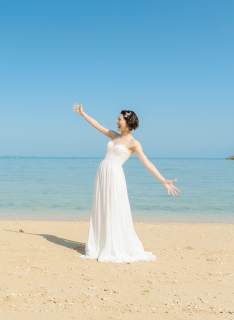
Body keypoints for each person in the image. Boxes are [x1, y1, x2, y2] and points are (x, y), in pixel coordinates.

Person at [72, 103, 178, 263]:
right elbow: (97, 125)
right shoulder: (114, 136)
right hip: (102, 174)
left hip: (115, 175)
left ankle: (115, 245)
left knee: (114, 207)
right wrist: (83, 113)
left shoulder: (134, 143)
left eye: (119, 119)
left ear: (128, 121)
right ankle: (101, 244)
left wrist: (163, 180)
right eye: (117, 119)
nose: (116, 121)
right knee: (102, 207)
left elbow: (148, 163)